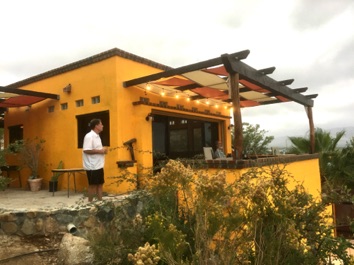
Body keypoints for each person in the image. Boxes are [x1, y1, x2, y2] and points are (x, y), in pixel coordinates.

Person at [82, 118, 108, 202]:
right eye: (101, 124)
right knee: (92, 185)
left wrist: (103, 151)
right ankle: (90, 202)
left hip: (99, 164)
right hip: (92, 166)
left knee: (100, 184)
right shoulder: (89, 136)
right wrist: (100, 151)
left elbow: (96, 149)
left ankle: (100, 201)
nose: (102, 126)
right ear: (96, 126)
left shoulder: (97, 136)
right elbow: (86, 150)